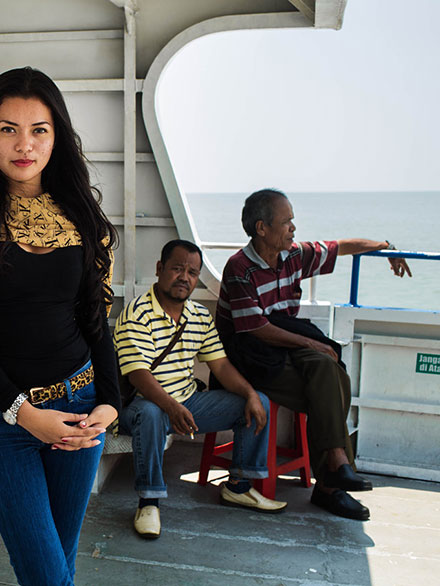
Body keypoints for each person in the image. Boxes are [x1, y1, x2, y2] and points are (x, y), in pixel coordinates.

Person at [0, 66, 120, 586]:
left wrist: (110, 402)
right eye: (7, 128)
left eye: (39, 130)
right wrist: (23, 412)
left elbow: (94, 316)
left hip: (81, 409)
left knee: (62, 561)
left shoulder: (78, 212)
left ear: (57, 137)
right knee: (45, 574)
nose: (24, 144)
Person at [216, 188, 412, 521]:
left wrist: (385, 246)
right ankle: (332, 483)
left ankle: (335, 468)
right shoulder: (240, 268)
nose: (293, 228)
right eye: (286, 221)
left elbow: (340, 247)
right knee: (327, 380)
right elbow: (256, 329)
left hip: (281, 340)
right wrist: (311, 344)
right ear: (261, 228)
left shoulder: (293, 255)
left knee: (331, 368)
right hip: (246, 352)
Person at [114, 239, 287, 539]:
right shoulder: (136, 314)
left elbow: (220, 366)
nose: (185, 278)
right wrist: (172, 407)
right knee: (151, 413)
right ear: (159, 269)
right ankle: (149, 502)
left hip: (186, 403)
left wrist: (248, 394)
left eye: (192, 272)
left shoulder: (199, 316)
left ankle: (239, 487)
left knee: (258, 400)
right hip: (139, 407)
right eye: (177, 268)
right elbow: (138, 376)